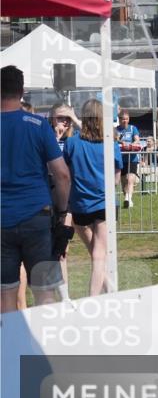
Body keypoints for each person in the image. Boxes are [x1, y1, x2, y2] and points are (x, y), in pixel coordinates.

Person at [1, 66, 72, 313]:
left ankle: (8, 348)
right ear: (21, 91)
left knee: (5, 293)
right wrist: (62, 212)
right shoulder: (38, 125)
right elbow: (62, 175)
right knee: (44, 292)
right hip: (37, 218)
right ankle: (46, 346)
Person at [64, 99, 123, 296]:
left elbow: (66, 173)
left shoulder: (71, 143)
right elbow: (116, 179)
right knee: (99, 255)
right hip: (104, 202)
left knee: (96, 252)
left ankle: (106, 292)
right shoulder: (111, 144)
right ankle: (95, 298)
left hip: (80, 204)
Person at [48, 104, 81, 301]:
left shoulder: (72, 141)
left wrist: (75, 118)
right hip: (44, 197)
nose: (64, 122)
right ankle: (48, 296)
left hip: (66, 199)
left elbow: (101, 136)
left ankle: (64, 296)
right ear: (51, 118)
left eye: (67, 118)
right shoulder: (44, 137)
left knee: (62, 248)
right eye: (61, 118)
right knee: (45, 249)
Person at [116, 109, 144, 209]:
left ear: (129, 119)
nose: (125, 121)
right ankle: (127, 198)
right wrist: (120, 142)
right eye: (123, 119)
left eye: (127, 119)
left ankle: (128, 198)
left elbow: (137, 139)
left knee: (130, 179)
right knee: (124, 182)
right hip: (120, 158)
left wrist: (133, 143)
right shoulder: (116, 129)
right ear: (119, 119)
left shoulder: (133, 128)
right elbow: (114, 139)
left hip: (132, 158)